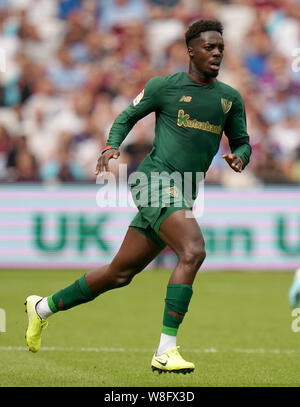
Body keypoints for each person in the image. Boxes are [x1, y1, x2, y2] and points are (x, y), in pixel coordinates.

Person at [25, 19, 251, 374]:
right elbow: (127, 116)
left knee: (119, 273)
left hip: (185, 191)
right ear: (190, 50)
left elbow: (242, 140)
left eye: (221, 47)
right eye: (209, 47)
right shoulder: (165, 87)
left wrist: (241, 156)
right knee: (193, 250)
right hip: (153, 180)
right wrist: (112, 145)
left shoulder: (229, 99)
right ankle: (166, 349)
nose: (217, 52)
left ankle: (41, 308)